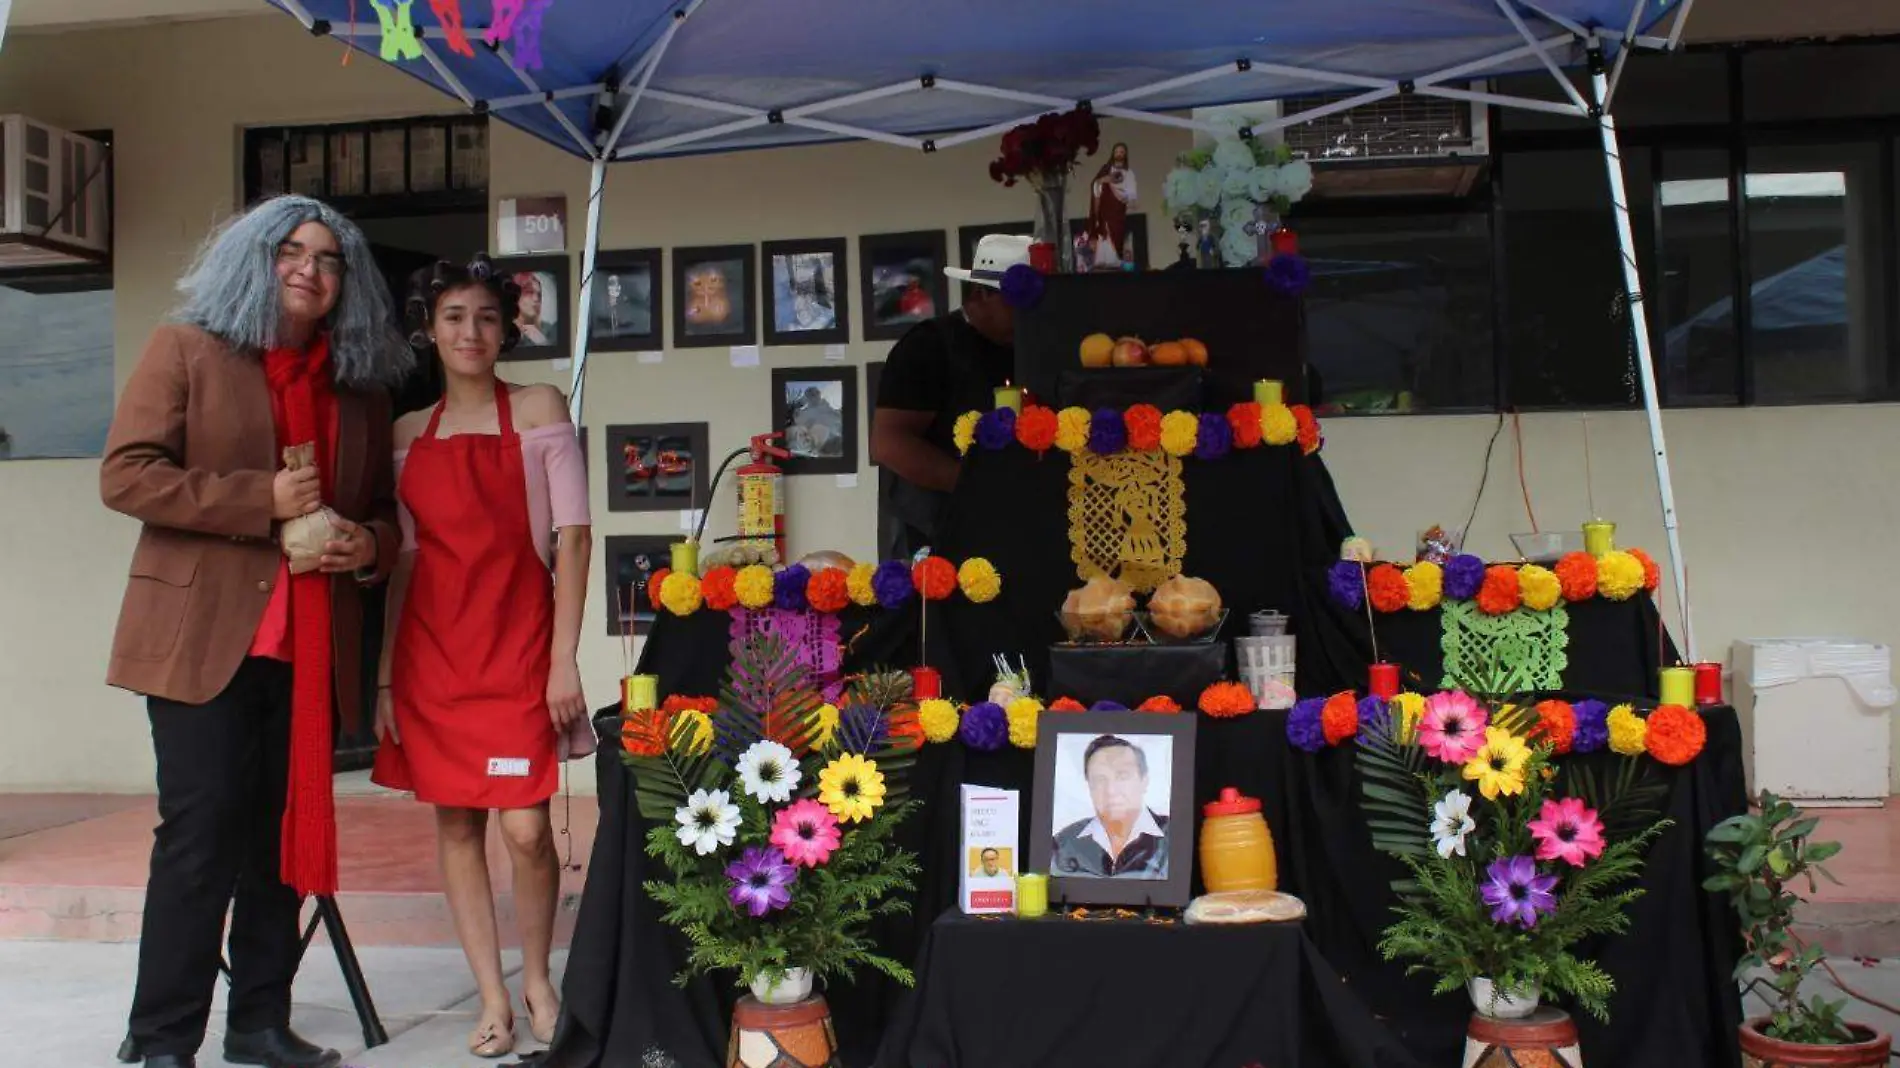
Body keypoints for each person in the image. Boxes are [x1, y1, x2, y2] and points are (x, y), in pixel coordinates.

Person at [101, 194, 412, 1068]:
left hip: (310, 646)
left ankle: (259, 1025)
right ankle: (162, 1035)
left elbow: (385, 515)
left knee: (282, 837)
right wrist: (257, 502)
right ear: (254, 258)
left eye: (330, 257)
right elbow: (126, 476)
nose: (310, 268)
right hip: (200, 640)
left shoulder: (360, 390)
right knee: (200, 838)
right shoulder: (186, 351)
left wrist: (367, 544)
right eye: (292, 250)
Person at [371, 254, 592, 1057]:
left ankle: (539, 979)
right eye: (455, 316)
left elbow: (574, 537)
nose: (472, 332)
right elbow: (404, 561)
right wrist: (389, 675)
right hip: (434, 655)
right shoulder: (405, 434)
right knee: (457, 824)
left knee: (528, 827)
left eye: (488, 317)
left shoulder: (537, 409)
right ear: (429, 329)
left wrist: (564, 658)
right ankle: (493, 1000)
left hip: (520, 650)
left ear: (508, 329)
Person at [869, 233, 1029, 561]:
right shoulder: (927, 347)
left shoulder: (1028, 346)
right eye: (1016, 301)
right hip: (934, 532)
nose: (1028, 313)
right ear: (982, 293)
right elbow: (889, 442)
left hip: (1013, 529)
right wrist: (979, 485)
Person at [1050, 735, 1170, 880]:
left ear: (1144, 781)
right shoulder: (1063, 844)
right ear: (1089, 787)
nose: (1111, 790)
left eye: (1122, 776)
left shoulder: (1174, 837)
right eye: (1100, 779)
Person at [1086, 142, 1137, 269]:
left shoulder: (1129, 173)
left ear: (1125, 155)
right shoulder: (1106, 169)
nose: (1119, 154)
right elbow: (1095, 184)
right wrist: (1104, 180)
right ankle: (1103, 259)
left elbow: (1132, 192)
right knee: (1104, 232)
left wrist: (1125, 196)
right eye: (1117, 152)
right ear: (1113, 154)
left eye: (1122, 152)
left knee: (1116, 231)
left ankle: (1115, 259)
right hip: (1105, 207)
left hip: (1118, 209)